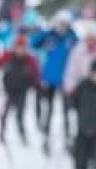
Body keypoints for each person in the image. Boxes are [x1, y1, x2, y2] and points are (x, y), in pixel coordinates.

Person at [30, 11, 79, 153]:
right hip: (50, 79)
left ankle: (68, 138)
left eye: (65, 24)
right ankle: (46, 137)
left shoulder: (72, 37)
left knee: (66, 111)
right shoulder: (50, 36)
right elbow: (34, 43)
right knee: (49, 110)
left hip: (65, 80)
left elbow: (79, 49)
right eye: (60, 24)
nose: (62, 27)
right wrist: (46, 31)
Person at [0, 34, 41, 144]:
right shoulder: (9, 55)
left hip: (22, 91)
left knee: (20, 114)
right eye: (18, 47)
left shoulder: (30, 59)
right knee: (5, 112)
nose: (20, 50)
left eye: (22, 47)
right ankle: (1, 132)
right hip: (9, 89)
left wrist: (37, 85)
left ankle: (22, 133)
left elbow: (36, 73)